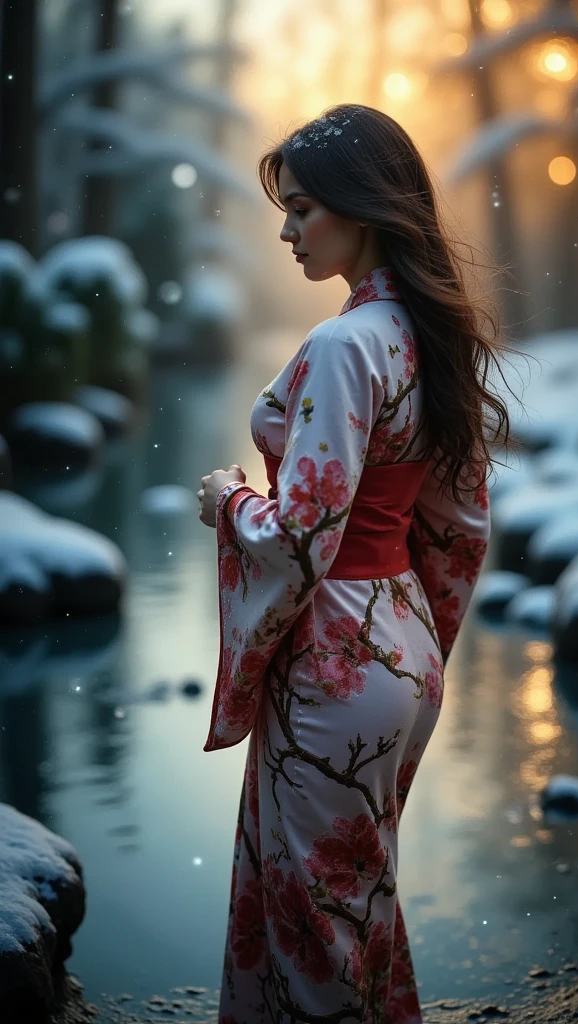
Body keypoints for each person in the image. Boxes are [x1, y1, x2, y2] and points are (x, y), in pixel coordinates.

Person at [197, 103, 512, 1024]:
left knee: (312, 926)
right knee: (351, 899)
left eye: (302, 210)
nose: (287, 231)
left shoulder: (345, 347)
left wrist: (228, 499)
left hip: (335, 661)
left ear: (362, 208)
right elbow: (460, 524)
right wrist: (420, 643)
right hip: (397, 642)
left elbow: (300, 539)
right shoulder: (421, 333)